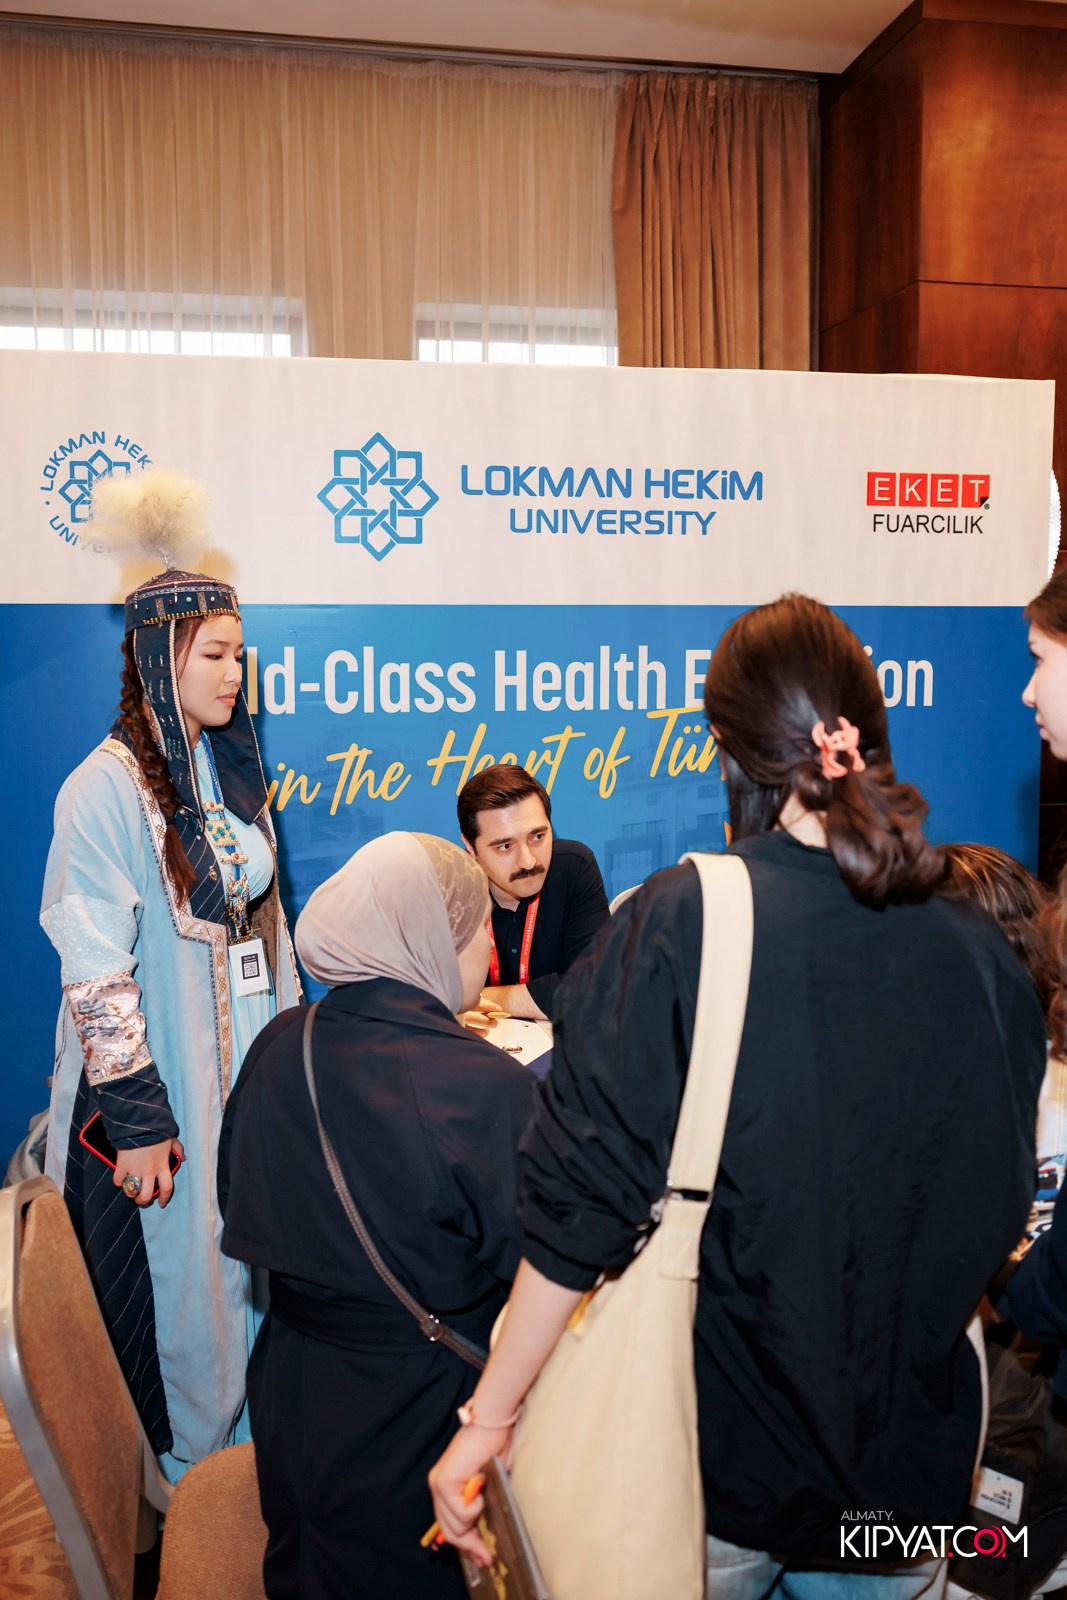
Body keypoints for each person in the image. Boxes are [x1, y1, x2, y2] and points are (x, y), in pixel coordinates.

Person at [430, 593, 1045, 1600]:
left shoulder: (687, 917)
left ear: (729, 752)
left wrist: (487, 1417)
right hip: (906, 1480)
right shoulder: (978, 948)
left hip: (716, 1465)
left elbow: (580, 1202)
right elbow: (994, 1202)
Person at [40, 468, 301, 1478]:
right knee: (187, 1295)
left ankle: (252, 1482)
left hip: (246, 1085)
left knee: (251, 1277)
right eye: (218, 654)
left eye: (241, 654)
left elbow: (269, 932)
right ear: (163, 653)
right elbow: (96, 972)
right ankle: (195, 1492)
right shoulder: (100, 791)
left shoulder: (230, 778)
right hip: (170, 1094)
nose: (237, 673)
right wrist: (141, 1123)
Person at [217, 832, 537, 1600]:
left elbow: (237, 1199)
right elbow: (544, 1268)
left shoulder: (279, 1042)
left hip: (294, 1393)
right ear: (428, 939)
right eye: (477, 928)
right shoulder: (481, 1086)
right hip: (428, 1411)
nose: (490, 947)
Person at [456, 764, 609, 1025]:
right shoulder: (449, 890)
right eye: (505, 846)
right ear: (471, 847)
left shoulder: (574, 866)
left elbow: (599, 987)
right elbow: (422, 997)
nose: (528, 861)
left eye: (537, 836)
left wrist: (479, 998)